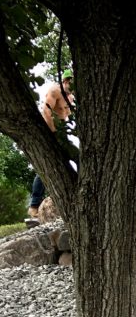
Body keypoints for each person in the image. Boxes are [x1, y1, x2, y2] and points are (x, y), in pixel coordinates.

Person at [27, 69, 75, 221]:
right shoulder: (55, 90)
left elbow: (66, 117)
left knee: (71, 160)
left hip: (62, 132)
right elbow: (46, 112)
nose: (71, 87)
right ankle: (34, 206)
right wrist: (52, 133)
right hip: (51, 131)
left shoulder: (71, 97)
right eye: (70, 83)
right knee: (46, 166)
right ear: (66, 81)